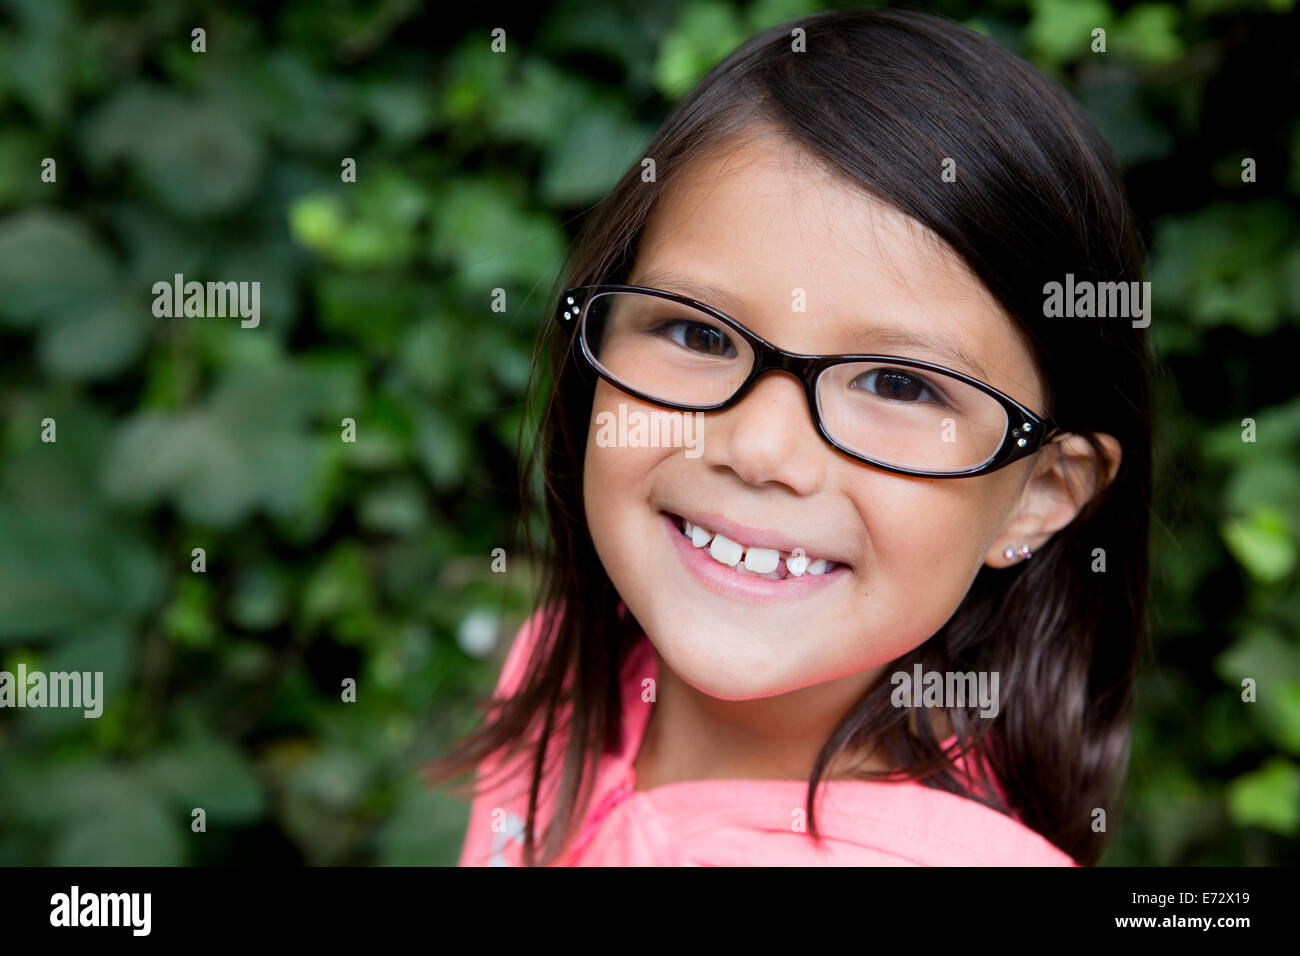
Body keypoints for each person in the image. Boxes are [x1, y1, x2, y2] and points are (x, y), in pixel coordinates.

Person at [428, 7, 1153, 866]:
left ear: (1038, 495)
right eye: (699, 334)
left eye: (897, 384)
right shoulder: (561, 666)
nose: (760, 449)